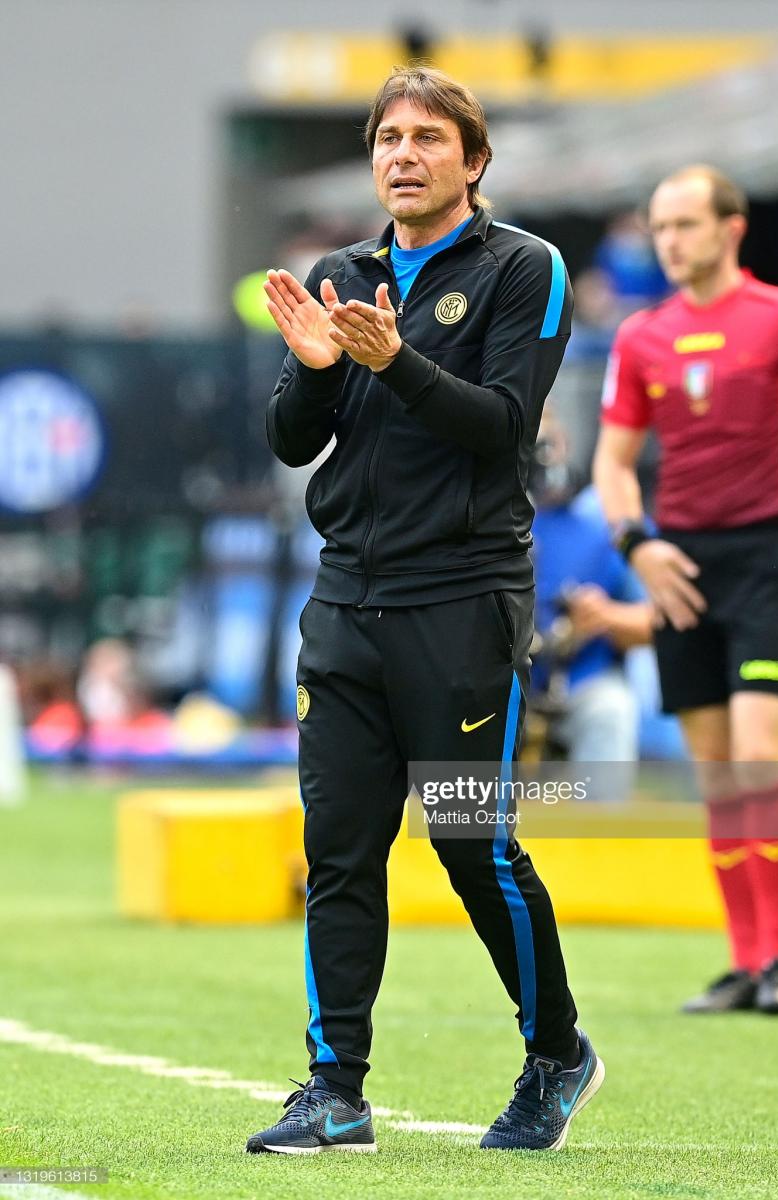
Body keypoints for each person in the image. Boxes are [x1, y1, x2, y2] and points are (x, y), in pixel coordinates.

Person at [250, 66, 604, 1156]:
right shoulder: (342, 271)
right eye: (387, 139)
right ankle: (334, 1090)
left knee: (472, 845)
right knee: (338, 849)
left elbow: (502, 428)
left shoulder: (524, 268)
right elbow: (292, 439)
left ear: (473, 160)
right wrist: (317, 372)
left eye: (427, 138)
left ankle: (557, 1053)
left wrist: (394, 360)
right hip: (347, 598)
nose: (402, 155)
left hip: (462, 604)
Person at [593, 164, 778, 1016]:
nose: (670, 242)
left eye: (685, 224)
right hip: (680, 566)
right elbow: (612, 462)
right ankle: (746, 962)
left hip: (766, 559)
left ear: (731, 228)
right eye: (660, 228)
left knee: (759, 755)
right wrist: (637, 547)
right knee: (716, 775)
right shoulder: (642, 337)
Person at [529, 414, 653, 781]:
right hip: (488, 684)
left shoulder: (604, 519)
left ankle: (601, 833)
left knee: (611, 710)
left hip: (577, 680)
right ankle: (439, 833)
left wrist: (605, 617)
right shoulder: (470, 512)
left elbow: (659, 619)